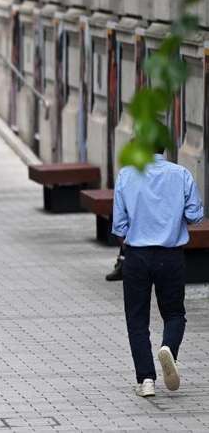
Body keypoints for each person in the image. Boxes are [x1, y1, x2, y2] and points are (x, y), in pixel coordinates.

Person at [111, 148, 204, 398]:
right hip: (171, 255)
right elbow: (195, 215)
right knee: (174, 313)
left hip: (137, 256)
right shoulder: (181, 174)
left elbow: (119, 224)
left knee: (137, 319)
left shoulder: (126, 175)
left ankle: (146, 379)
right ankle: (168, 349)